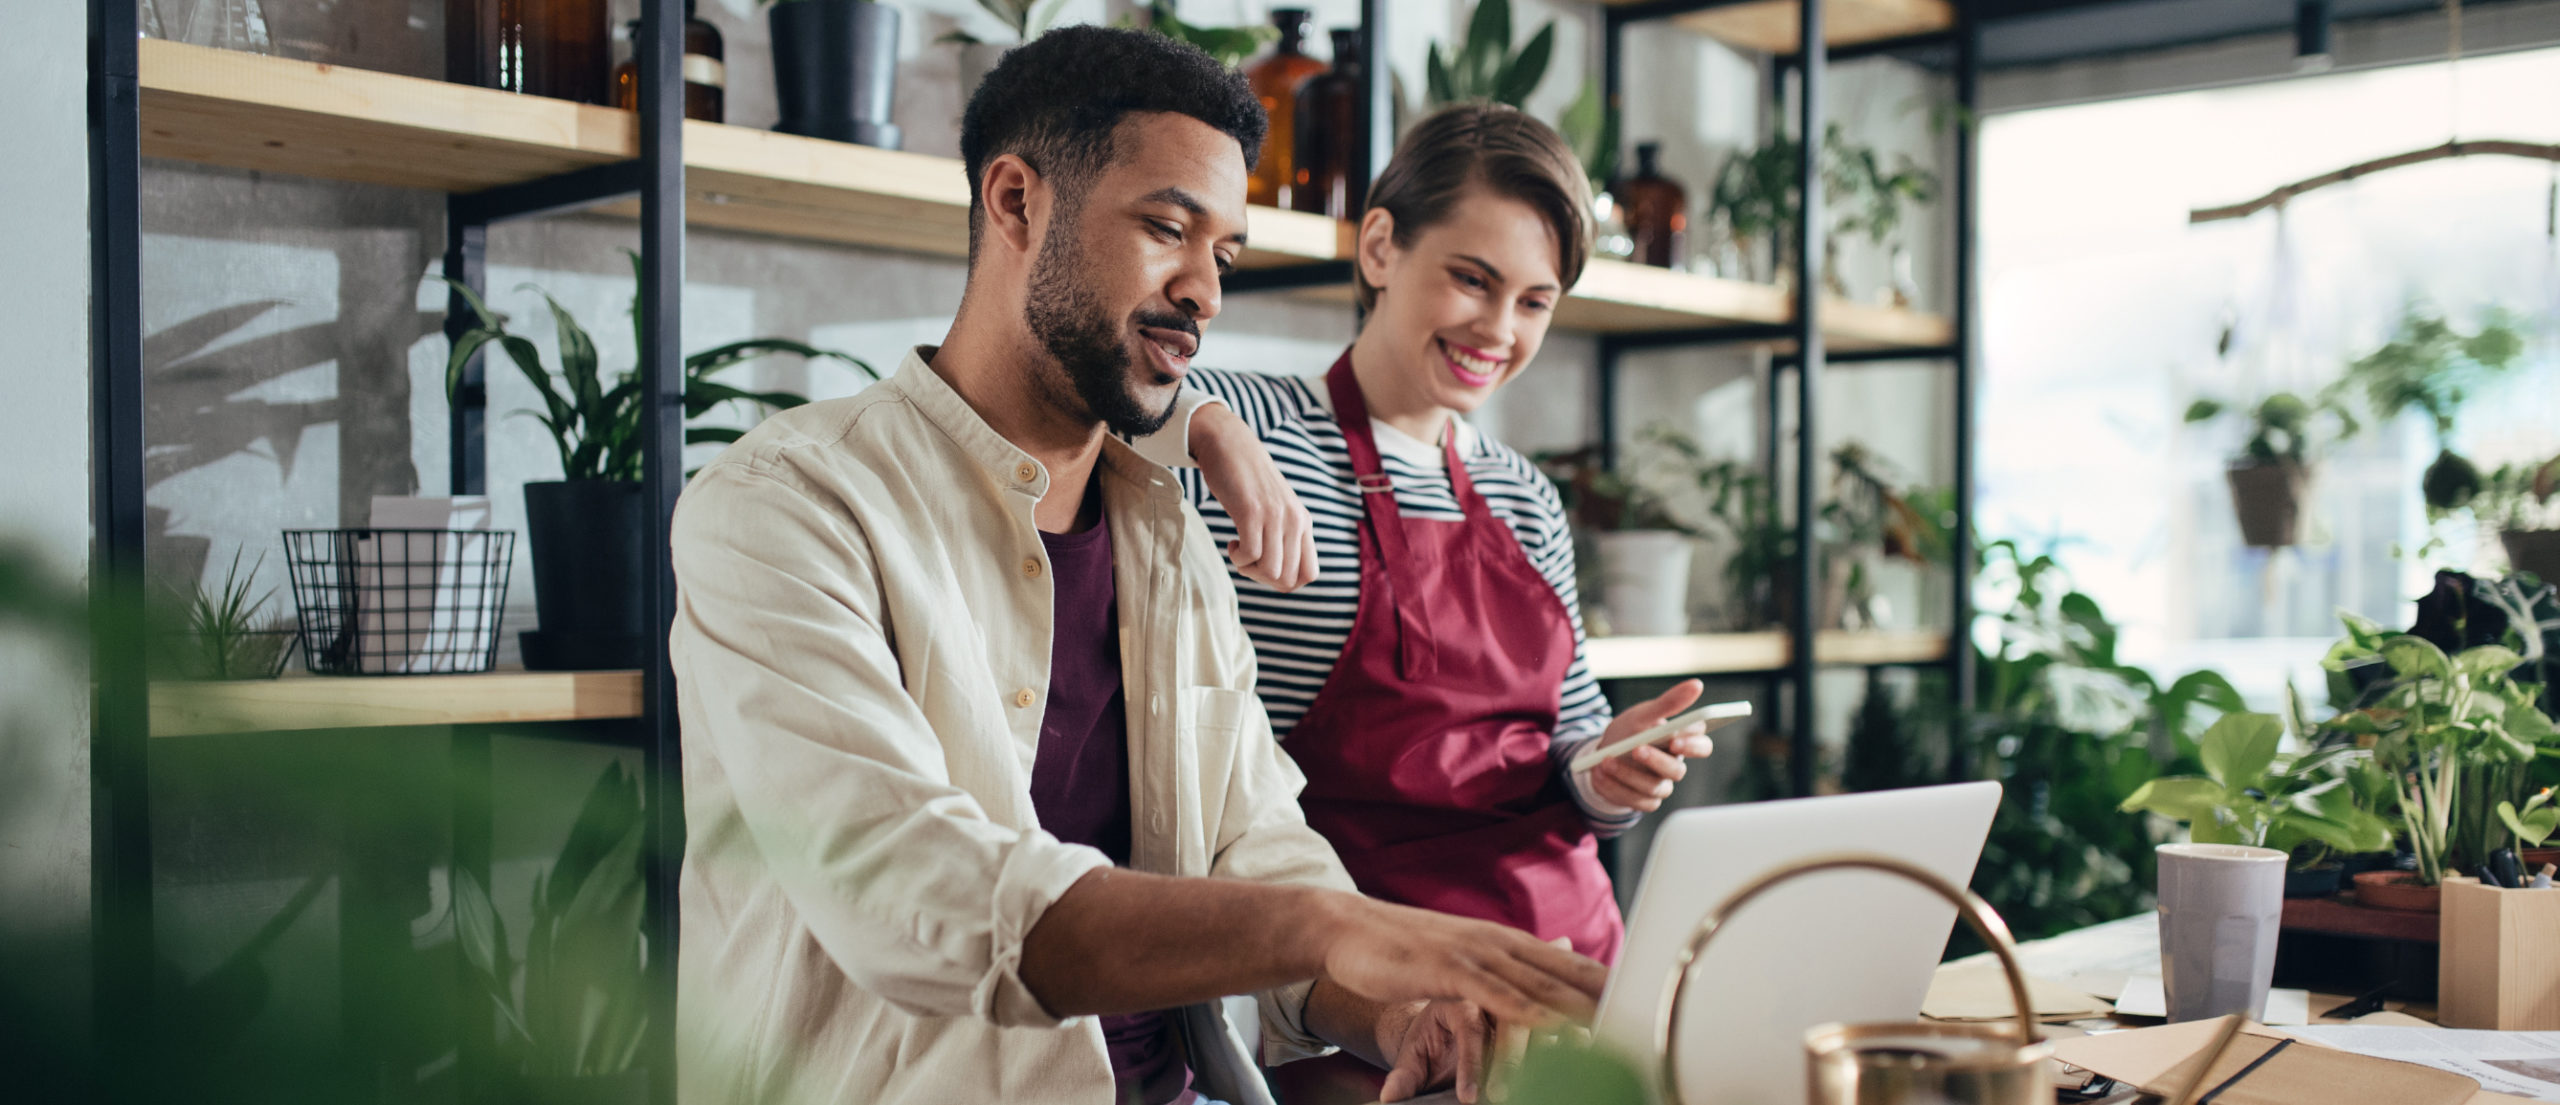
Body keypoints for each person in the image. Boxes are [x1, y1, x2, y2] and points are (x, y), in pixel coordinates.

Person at [668, 28, 1603, 1105]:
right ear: (1015, 202)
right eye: (1168, 228)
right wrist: (1339, 923)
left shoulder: (1165, 533)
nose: (1205, 290)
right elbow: (909, 893)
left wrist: (1391, 1012)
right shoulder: (788, 505)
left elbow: (1254, 841)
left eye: (1227, 257)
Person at [1144, 104, 1718, 1098]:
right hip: (1372, 1002)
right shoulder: (1256, 428)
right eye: (1471, 278)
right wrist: (1206, 428)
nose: (1498, 331)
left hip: (1568, 972)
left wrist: (1608, 768)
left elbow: (1565, 759)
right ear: (1379, 245)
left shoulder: (1524, 495)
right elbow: (1088, 402)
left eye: (1535, 302)